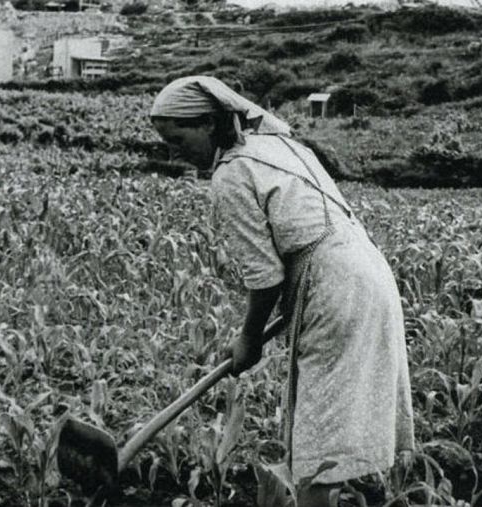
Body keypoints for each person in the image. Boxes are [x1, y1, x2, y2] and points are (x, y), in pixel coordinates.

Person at [150, 76, 415, 506]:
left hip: (334, 287)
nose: (172, 151)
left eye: (177, 138)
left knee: (316, 446)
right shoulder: (279, 147)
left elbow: (265, 276)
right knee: (330, 426)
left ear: (210, 124)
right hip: (367, 273)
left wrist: (249, 337)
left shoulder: (233, 173)